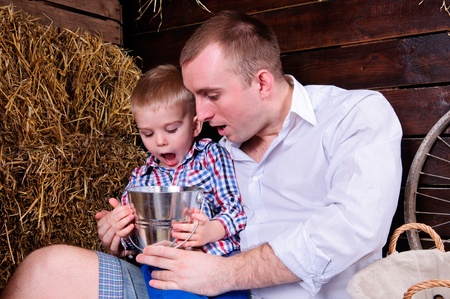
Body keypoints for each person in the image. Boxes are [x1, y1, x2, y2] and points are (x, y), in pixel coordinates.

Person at [0, 10, 402, 299]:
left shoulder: (354, 115)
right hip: (186, 283)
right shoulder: (211, 153)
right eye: (194, 98)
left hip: (256, 289)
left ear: (262, 82)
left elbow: (353, 226)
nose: (202, 116)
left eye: (211, 95)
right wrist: (125, 238)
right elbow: (171, 228)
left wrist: (224, 274)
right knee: (44, 271)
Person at [110, 64, 247, 299]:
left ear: (195, 125)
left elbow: (236, 208)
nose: (160, 142)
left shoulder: (213, 157)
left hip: (219, 258)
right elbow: (131, 241)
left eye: (171, 129)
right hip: (167, 265)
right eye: (148, 134)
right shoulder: (141, 178)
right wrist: (119, 226)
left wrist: (211, 230)